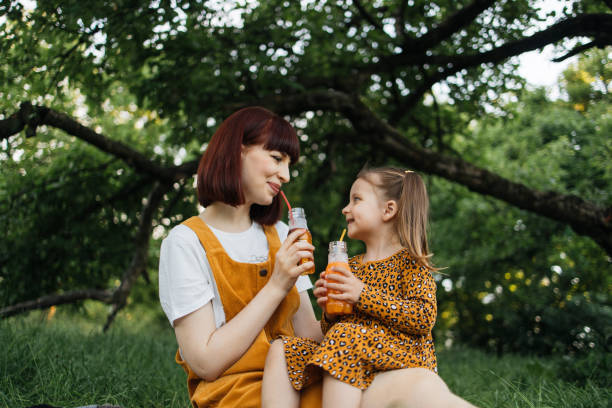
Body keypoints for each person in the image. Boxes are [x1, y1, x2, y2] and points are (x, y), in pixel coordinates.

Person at [261, 167, 478, 408]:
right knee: (284, 348)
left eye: (356, 199)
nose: (345, 208)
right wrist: (331, 312)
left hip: (405, 354)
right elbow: (335, 331)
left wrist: (361, 294)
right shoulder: (349, 265)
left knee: (345, 337)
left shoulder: (410, 262)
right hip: (355, 352)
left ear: (388, 210)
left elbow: (424, 317)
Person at [158, 106, 324, 408]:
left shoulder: (281, 232)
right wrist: (276, 286)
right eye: (277, 159)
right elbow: (206, 363)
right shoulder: (185, 243)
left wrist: (345, 301)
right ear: (238, 151)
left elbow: (309, 335)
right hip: (236, 396)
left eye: (289, 164)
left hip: (298, 384)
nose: (286, 175)